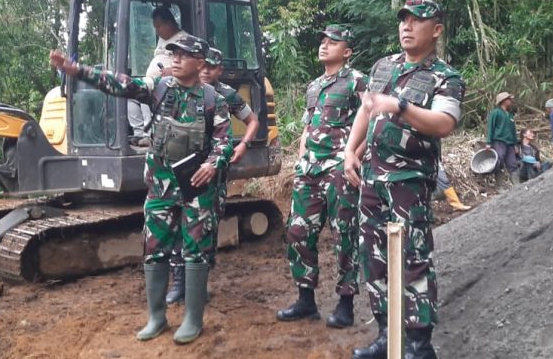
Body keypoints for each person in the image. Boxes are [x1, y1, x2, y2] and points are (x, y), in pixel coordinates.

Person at [49, 33, 232, 345]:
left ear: (199, 62)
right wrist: (78, 71)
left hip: (196, 188)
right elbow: (120, 83)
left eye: (183, 55)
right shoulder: (158, 88)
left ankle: (192, 318)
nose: (175, 59)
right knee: (154, 250)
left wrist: (213, 164)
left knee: (195, 252)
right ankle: (157, 317)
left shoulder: (214, 100)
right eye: (173, 53)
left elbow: (225, 142)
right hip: (161, 186)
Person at [344, 0, 464, 359]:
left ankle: (418, 344)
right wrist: (351, 150)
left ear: (437, 30)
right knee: (374, 258)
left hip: (409, 180)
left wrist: (401, 106)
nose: (406, 26)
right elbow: (366, 112)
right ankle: (385, 336)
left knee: (413, 259)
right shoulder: (384, 66)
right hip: (372, 179)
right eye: (403, 20)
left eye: (417, 20)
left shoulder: (445, 76)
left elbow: (444, 124)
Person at [276, 25, 367, 329]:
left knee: (345, 235)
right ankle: (306, 301)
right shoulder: (314, 85)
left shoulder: (357, 82)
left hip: (339, 169)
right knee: (298, 233)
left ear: (347, 51)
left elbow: (373, 120)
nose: (325, 46)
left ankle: (345, 304)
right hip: (310, 170)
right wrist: (301, 159)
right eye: (323, 42)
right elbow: (307, 126)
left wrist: (354, 156)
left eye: (333, 42)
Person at [164, 47, 260, 304]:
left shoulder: (225, 94)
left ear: (220, 70)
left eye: (212, 67)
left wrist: (243, 144)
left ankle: (199, 281)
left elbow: (252, 120)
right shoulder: (178, 89)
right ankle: (179, 281)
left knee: (206, 229)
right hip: (181, 170)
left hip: (213, 174)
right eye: (203, 66)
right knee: (176, 226)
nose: (206, 71)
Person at [127, 7, 189, 144]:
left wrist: (172, 71)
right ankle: (139, 133)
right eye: (155, 27)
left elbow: (190, 66)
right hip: (155, 81)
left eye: (159, 26)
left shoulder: (184, 39)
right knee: (131, 96)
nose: (157, 30)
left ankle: (150, 136)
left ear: (170, 23)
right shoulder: (162, 39)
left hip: (169, 86)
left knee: (146, 94)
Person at [485, 92, 519, 185]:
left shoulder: (510, 115)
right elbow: (490, 127)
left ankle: (517, 185)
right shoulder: (496, 112)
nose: (511, 101)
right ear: (503, 101)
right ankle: (499, 185)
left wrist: (515, 144)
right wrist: (488, 142)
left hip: (510, 143)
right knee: (499, 161)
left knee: (513, 163)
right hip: (499, 142)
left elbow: (513, 130)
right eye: (509, 99)